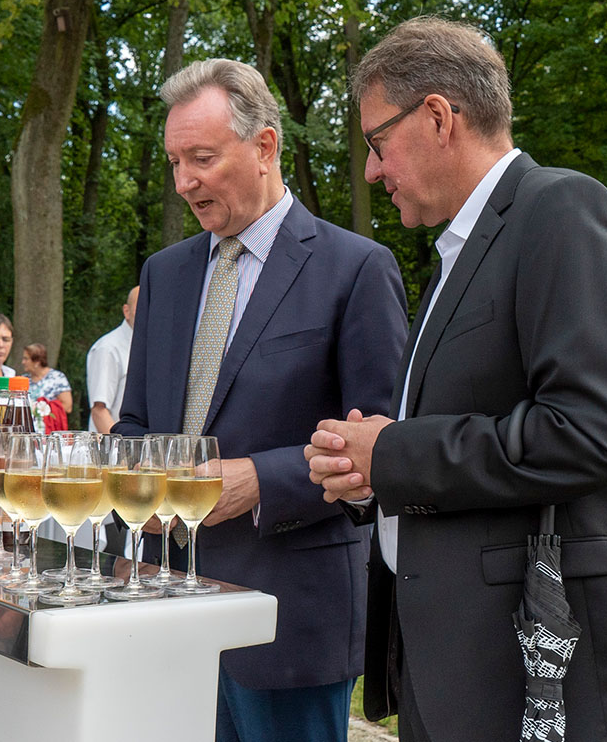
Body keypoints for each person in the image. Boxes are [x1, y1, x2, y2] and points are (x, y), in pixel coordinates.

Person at [305, 16, 607, 741]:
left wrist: (394, 453)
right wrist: (370, 474)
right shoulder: (458, 252)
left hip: (536, 669)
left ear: (438, 117)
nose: (372, 172)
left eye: (376, 143)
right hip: (457, 663)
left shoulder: (559, 208)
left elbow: (593, 432)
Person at [114, 58, 408, 742]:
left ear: (265, 146)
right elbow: (134, 421)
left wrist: (260, 480)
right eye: (175, 162)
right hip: (158, 603)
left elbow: (383, 445)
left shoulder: (356, 268)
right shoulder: (164, 274)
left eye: (202, 158)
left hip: (288, 618)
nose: (183, 181)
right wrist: (130, 492)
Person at [86, 286, 139, 433]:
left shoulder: (151, 348)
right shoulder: (108, 349)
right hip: (114, 444)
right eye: (141, 306)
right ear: (126, 311)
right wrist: (121, 446)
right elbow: (99, 411)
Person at [21, 342, 72, 418]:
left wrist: (43, 412)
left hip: (48, 423)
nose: (23, 362)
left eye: (26, 359)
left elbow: (67, 407)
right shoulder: (23, 380)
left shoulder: (57, 378)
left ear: (37, 362)